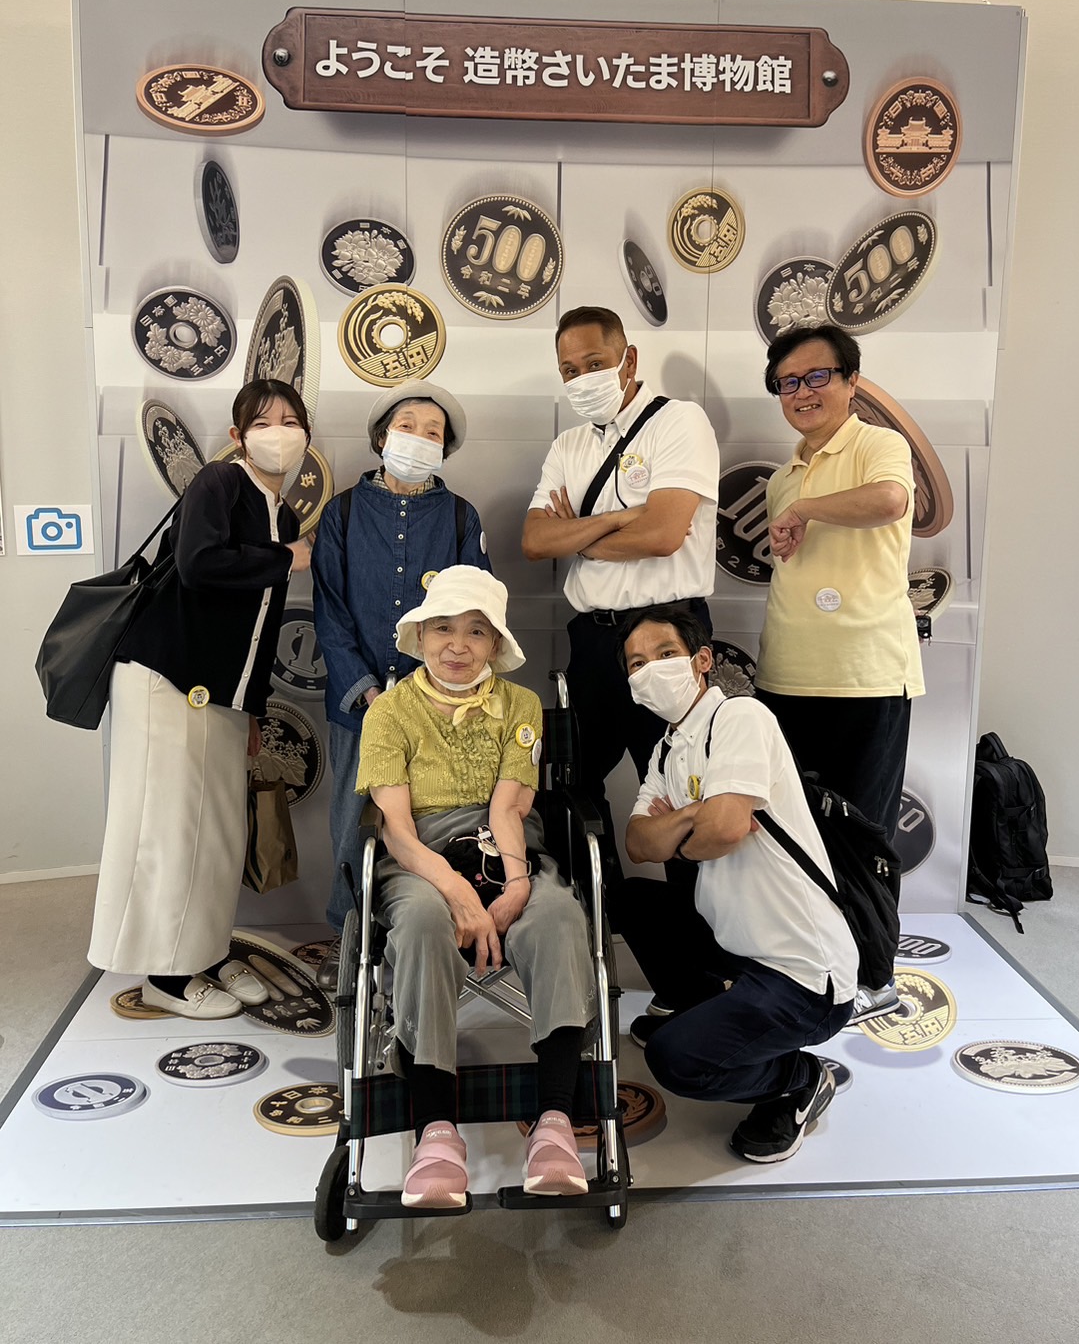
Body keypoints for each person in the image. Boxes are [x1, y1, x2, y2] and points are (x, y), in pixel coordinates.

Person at [356, 567, 597, 1208]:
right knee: (422, 922)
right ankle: (436, 1133)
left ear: (495, 644)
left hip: (504, 847)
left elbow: (507, 809)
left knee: (557, 916)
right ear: (420, 635)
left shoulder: (519, 706)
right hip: (420, 857)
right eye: (443, 628)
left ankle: (554, 1123)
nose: (457, 645)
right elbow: (396, 830)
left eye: (476, 631)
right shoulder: (390, 713)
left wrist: (515, 885)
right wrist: (459, 894)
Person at [88, 380, 314, 1017]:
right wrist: (284, 559)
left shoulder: (284, 515)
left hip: (219, 693)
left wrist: (253, 705)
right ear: (238, 437)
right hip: (166, 678)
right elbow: (197, 563)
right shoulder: (220, 482)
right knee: (168, 828)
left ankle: (205, 950)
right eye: (262, 422)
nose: (278, 432)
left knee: (215, 833)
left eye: (290, 420)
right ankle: (165, 977)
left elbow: (263, 623)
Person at [521, 305, 719, 979]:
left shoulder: (678, 422)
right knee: (572, 788)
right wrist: (620, 520)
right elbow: (535, 539)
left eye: (594, 363)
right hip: (592, 641)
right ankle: (601, 930)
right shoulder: (568, 446)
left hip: (667, 633)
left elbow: (664, 533)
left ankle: (699, 973)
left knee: (686, 793)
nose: (582, 379)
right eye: (568, 370)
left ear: (628, 359)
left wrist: (581, 534)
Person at [620, 605, 857, 1164]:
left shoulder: (740, 717)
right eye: (636, 664)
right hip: (738, 948)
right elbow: (638, 843)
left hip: (802, 972)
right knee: (632, 898)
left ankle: (799, 1079)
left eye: (665, 654)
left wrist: (682, 829)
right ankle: (706, 1010)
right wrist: (694, 816)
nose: (650, 670)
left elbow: (726, 829)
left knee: (675, 1060)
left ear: (702, 660)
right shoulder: (666, 748)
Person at [754, 324, 923, 1023]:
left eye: (816, 376)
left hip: (867, 675)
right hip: (787, 675)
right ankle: (814, 966)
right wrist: (793, 504)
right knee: (795, 834)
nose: (802, 392)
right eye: (788, 383)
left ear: (851, 381)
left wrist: (806, 508)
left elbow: (889, 501)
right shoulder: (781, 478)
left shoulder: (879, 446)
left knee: (864, 835)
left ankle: (875, 977)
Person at [311, 382, 491, 974]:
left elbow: (475, 613)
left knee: (431, 823)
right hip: (357, 706)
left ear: (446, 448)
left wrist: (431, 693)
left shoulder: (461, 517)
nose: (418, 438)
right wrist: (366, 690)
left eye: (432, 432)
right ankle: (351, 945)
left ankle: (420, 941)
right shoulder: (341, 512)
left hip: (439, 707)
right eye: (407, 426)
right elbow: (330, 612)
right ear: (382, 436)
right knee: (352, 828)